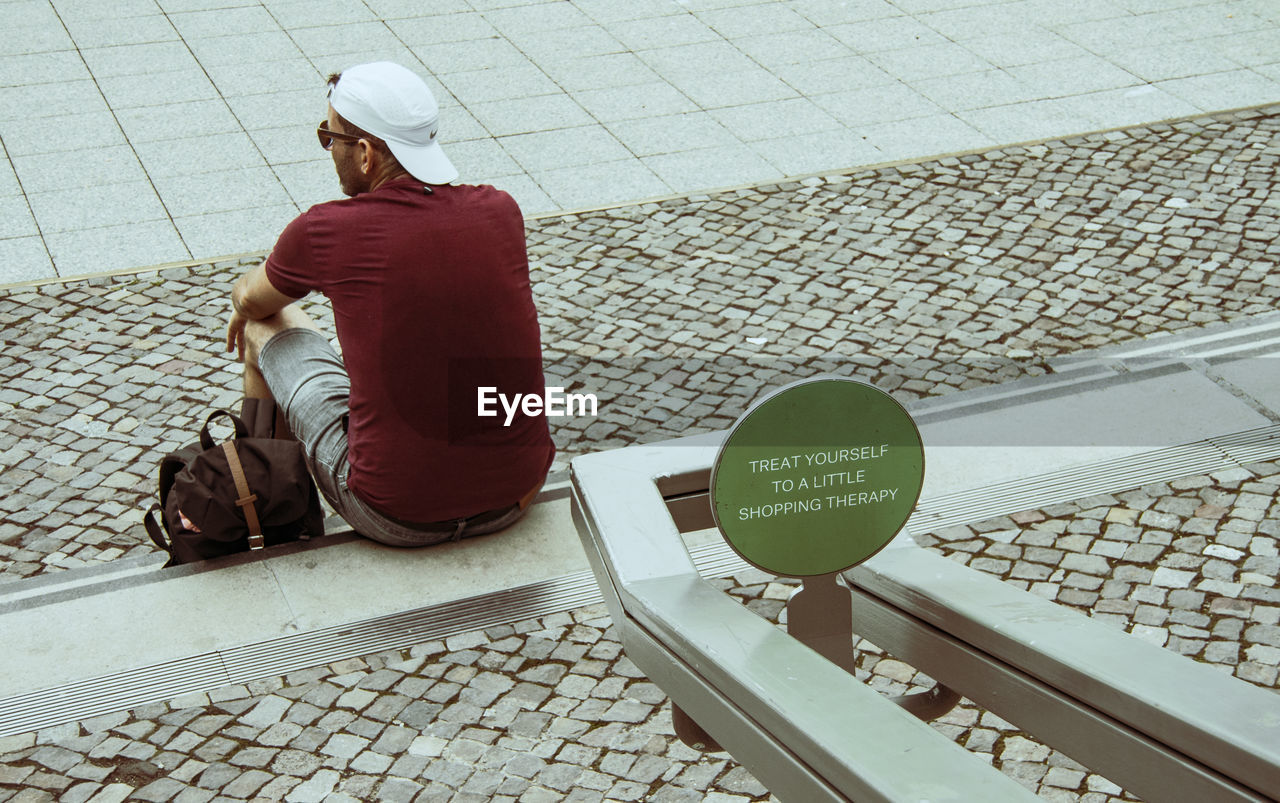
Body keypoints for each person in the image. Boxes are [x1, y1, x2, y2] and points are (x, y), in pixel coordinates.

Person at [225, 61, 554, 547]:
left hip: (397, 513)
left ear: (363, 153)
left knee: (264, 325)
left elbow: (251, 298)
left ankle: (263, 509)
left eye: (329, 137)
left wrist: (246, 305)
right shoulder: (499, 209)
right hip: (516, 494)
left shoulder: (327, 230)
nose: (328, 149)